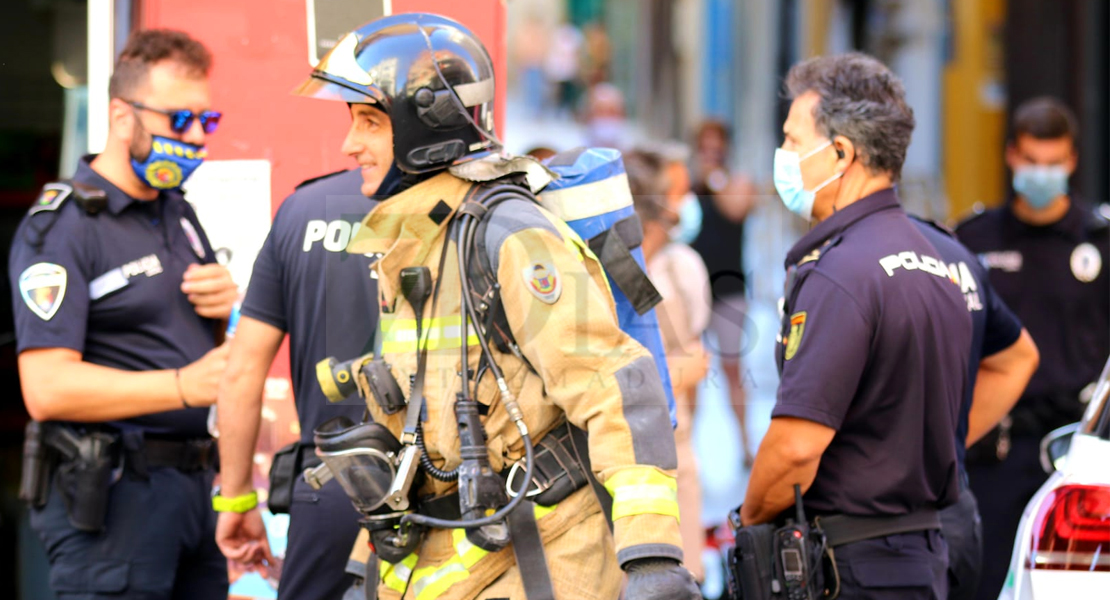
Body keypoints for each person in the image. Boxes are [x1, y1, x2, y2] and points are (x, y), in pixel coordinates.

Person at [291, 13, 699, 600]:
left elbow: (612, 387)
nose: (349, 144)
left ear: (420, 121)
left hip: (546, 559)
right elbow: (408, 432)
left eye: (369, 122)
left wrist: (651, 558)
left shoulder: (510, 237)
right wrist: (366, 568)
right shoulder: (418, 244)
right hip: (453, 558)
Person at [9, 29, 235, 598]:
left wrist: (221, 312)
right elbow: (47, 387)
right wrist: (185, 385)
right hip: (114, 501)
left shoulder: (177, 214)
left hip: (192, 495)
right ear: (120, 116)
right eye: (177, 121)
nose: (193, 138)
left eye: (205, 123)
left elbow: (191, 345)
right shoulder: (63, 227)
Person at [740, 53, 972, 599]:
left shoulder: (841, 273)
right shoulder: (937, 260)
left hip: (853, 567)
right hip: (921, 557)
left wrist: (749, 516)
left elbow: (796, 448)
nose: (784, 157)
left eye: (794, 142)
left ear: (841, 153)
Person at [212, 76, 404, 597]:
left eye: (370, 122)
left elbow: (241, 372)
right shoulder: (485, 214)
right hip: (448, 501)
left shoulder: (303, 211)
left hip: (330, 494)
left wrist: (235, 501)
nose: (350, 143)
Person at [955, 96, 1110, 600]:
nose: (1041, 173)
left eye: (1052, 163)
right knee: (979, 583)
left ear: (1071, 162)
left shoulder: (1100, 243)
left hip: (1078, 454)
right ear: (1011, 156)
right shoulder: (973, 241)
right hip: (995, 452)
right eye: (1031, 161)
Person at [911, 216, 1039, 600]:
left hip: (897, 523)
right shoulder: (962, 245)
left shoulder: (853, 258)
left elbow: (1018, 357)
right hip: (959, 490)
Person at [626, 148, 711, 585]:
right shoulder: (612, 270)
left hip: (677, 452)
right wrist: (678, 376)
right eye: (677, 192)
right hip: (629, 470)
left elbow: (696, 350)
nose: (683, 203)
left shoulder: (680, 267)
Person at [688, 120, 758, 468]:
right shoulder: (687, 185)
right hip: (692, 292)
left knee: (733, 369)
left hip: (729, 290)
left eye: (717, 145)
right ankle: (686, 445)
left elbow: (736, 208)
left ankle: (745, 445)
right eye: (705, 145)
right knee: (690, 370)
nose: (710, 152)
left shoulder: (737, 182)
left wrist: (714, 179)